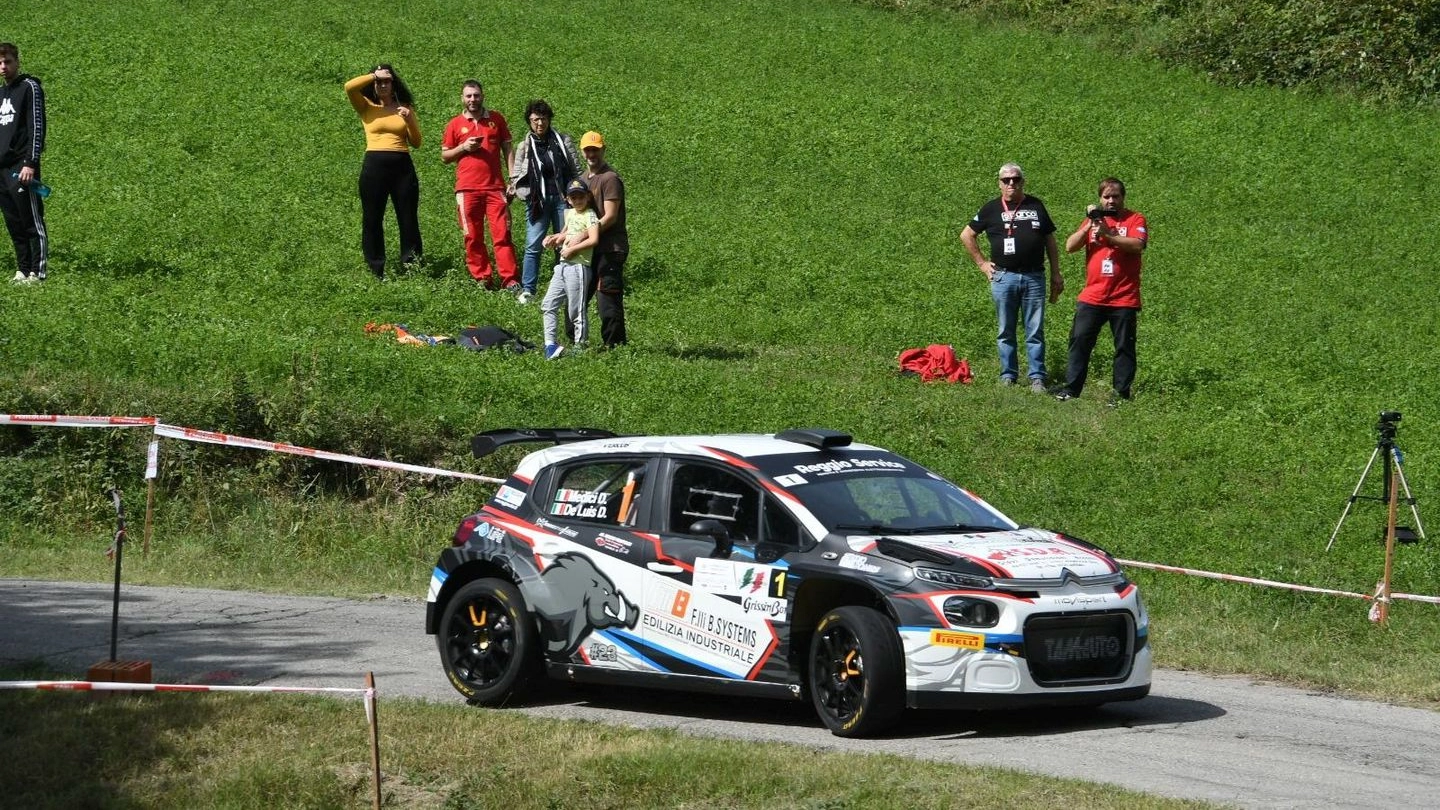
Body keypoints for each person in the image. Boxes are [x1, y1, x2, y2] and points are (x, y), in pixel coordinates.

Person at [959, 163, 1062, 392]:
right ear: (1000, 183)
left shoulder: (1036, 206)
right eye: (1006, 180)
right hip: (1003, 278)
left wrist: (1056, 272)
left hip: (1034, 277)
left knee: (1034, 330)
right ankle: (1008, 375)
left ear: (1022, 181)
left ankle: (1037, 377)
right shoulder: (991, 209)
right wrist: (982, 264)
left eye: (1016, 179)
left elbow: (1050, 241)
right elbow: (967, 235)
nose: (1011, 183)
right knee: (1005, 330)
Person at [1054, 178, 1149, 404]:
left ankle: (1120, 394)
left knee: (1124, 347)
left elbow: (1138, 245)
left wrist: (1108, 235)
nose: (1111, 201)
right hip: (1093, 295)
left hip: (1124, 297)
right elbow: (1070, 246)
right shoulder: (1093, 221)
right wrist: (1089, 224)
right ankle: (1072, 389)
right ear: (1100, 198)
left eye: (1115, 196)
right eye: (1106, 197)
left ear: (1123, 197)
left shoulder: (1135, 219)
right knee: (1079, 340)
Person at [345, 64, 422, 280]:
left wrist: (410, 119)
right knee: (372, 218)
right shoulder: (366, 106)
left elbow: (416, 142)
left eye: (386, 81)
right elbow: (349, 87)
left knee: (407, 218)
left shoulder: (404, 107)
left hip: (402, 167)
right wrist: (372, 75)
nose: (382, 85)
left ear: (393, 83)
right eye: (378, 81)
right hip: (374, 167)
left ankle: (411, 266)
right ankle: (375, 268)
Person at [441, 80, 518, 291]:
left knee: (502, 234)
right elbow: (445, 156)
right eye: (468, 96)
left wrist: (513, 179)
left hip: (495, 188)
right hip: (466, 189)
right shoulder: (455, 124)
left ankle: (510, 279)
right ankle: (482, 278)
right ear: (462, 98)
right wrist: (464, 147)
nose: (472, 99)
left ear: (482, 96)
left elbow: (508, 149)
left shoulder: (496, 119)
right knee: (472, 236)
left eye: (476, 95)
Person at [510, 100, 580, 305]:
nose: (539, 123)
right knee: (533, 245)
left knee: (564, 243)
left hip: (562, 200)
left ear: (549, 119)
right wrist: (520, 192)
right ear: (529, 122)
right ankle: (528, 289)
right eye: (535, 120)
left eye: (543, 119)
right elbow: (515, 174)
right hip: (537, 202)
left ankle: (565, 286)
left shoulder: (563, 141)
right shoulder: (524, 146)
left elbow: (576, 170)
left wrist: (577, 195)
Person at [0, 43, 47, 285]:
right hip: (2, 169)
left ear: (17, 61)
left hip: (22, 165)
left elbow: (36, 126)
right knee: (13, 222)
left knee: (31, 219)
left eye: (7, 61)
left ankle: (37, 273)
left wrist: (30, 162)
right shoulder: (0, 94)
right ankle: (22, 269)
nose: (3, 67)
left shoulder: (29, 87)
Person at [539, 179, 600, 360]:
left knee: (576, 310)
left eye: (581, 196)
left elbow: (594, 239)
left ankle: (580, 347)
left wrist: (573, 249)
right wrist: (552, 238)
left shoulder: (590, 214)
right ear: (568, 199)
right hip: (563, 266)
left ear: (588, 197)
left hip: (579, 266)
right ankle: (550, 345)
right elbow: (564, 234)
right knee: (548, 305)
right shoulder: (571, 214)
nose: (578, 200)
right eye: (574, 197)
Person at [579, 131, 628, 348]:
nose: (592, 154)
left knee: (607, 298)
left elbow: (610, 217)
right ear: (582, 152)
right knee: (578, 297)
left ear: (603, 150)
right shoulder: (582, 179)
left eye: (595, 150)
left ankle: (614, 346)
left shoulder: (610, 179)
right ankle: (577, 342)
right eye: (588, 150)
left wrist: (583, 234)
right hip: (590, 249)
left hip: (610, 247)